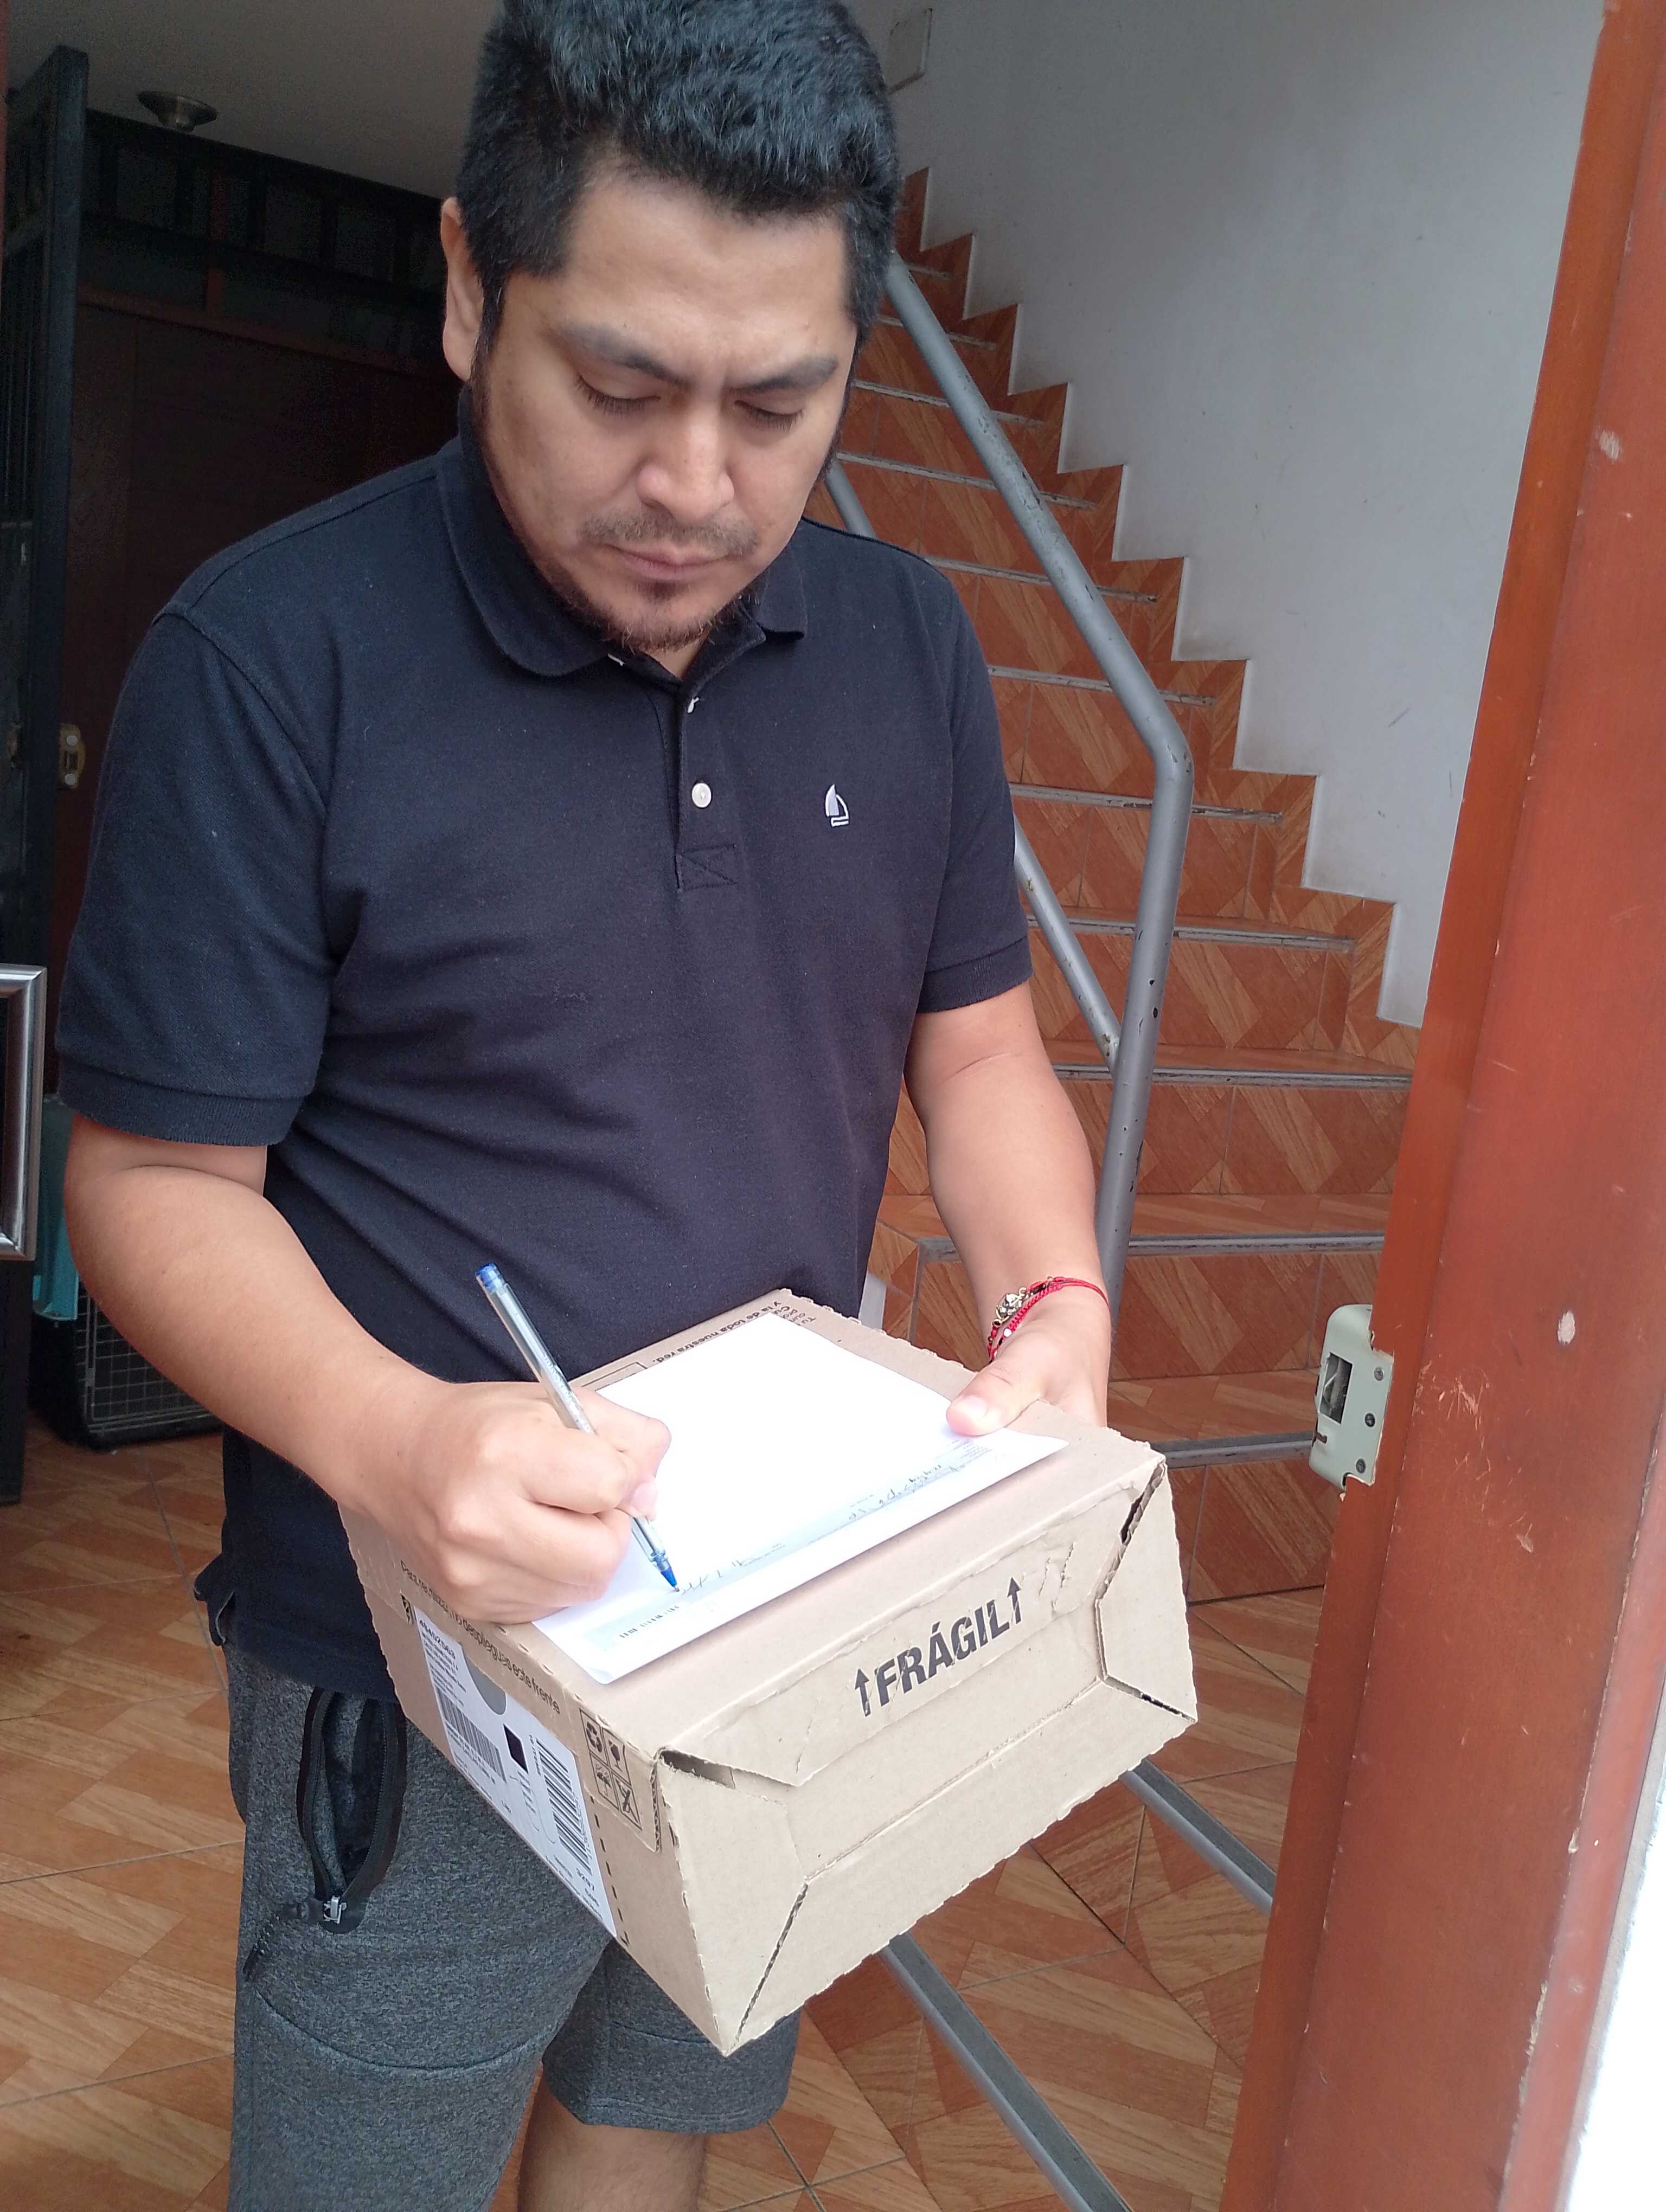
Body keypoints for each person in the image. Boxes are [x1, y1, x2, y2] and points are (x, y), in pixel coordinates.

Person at [58, 2, 1113, 2205]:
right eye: (621, 388)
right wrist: (396, 1444)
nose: (698, 487)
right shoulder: (272, 663)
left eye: (778, 404)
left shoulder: (912, 646)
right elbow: (151, 1181)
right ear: (470, 288)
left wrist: (1058, 1303)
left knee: (661, 2102)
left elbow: (983, 1046)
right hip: (426, 1649)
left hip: (777, 1618)